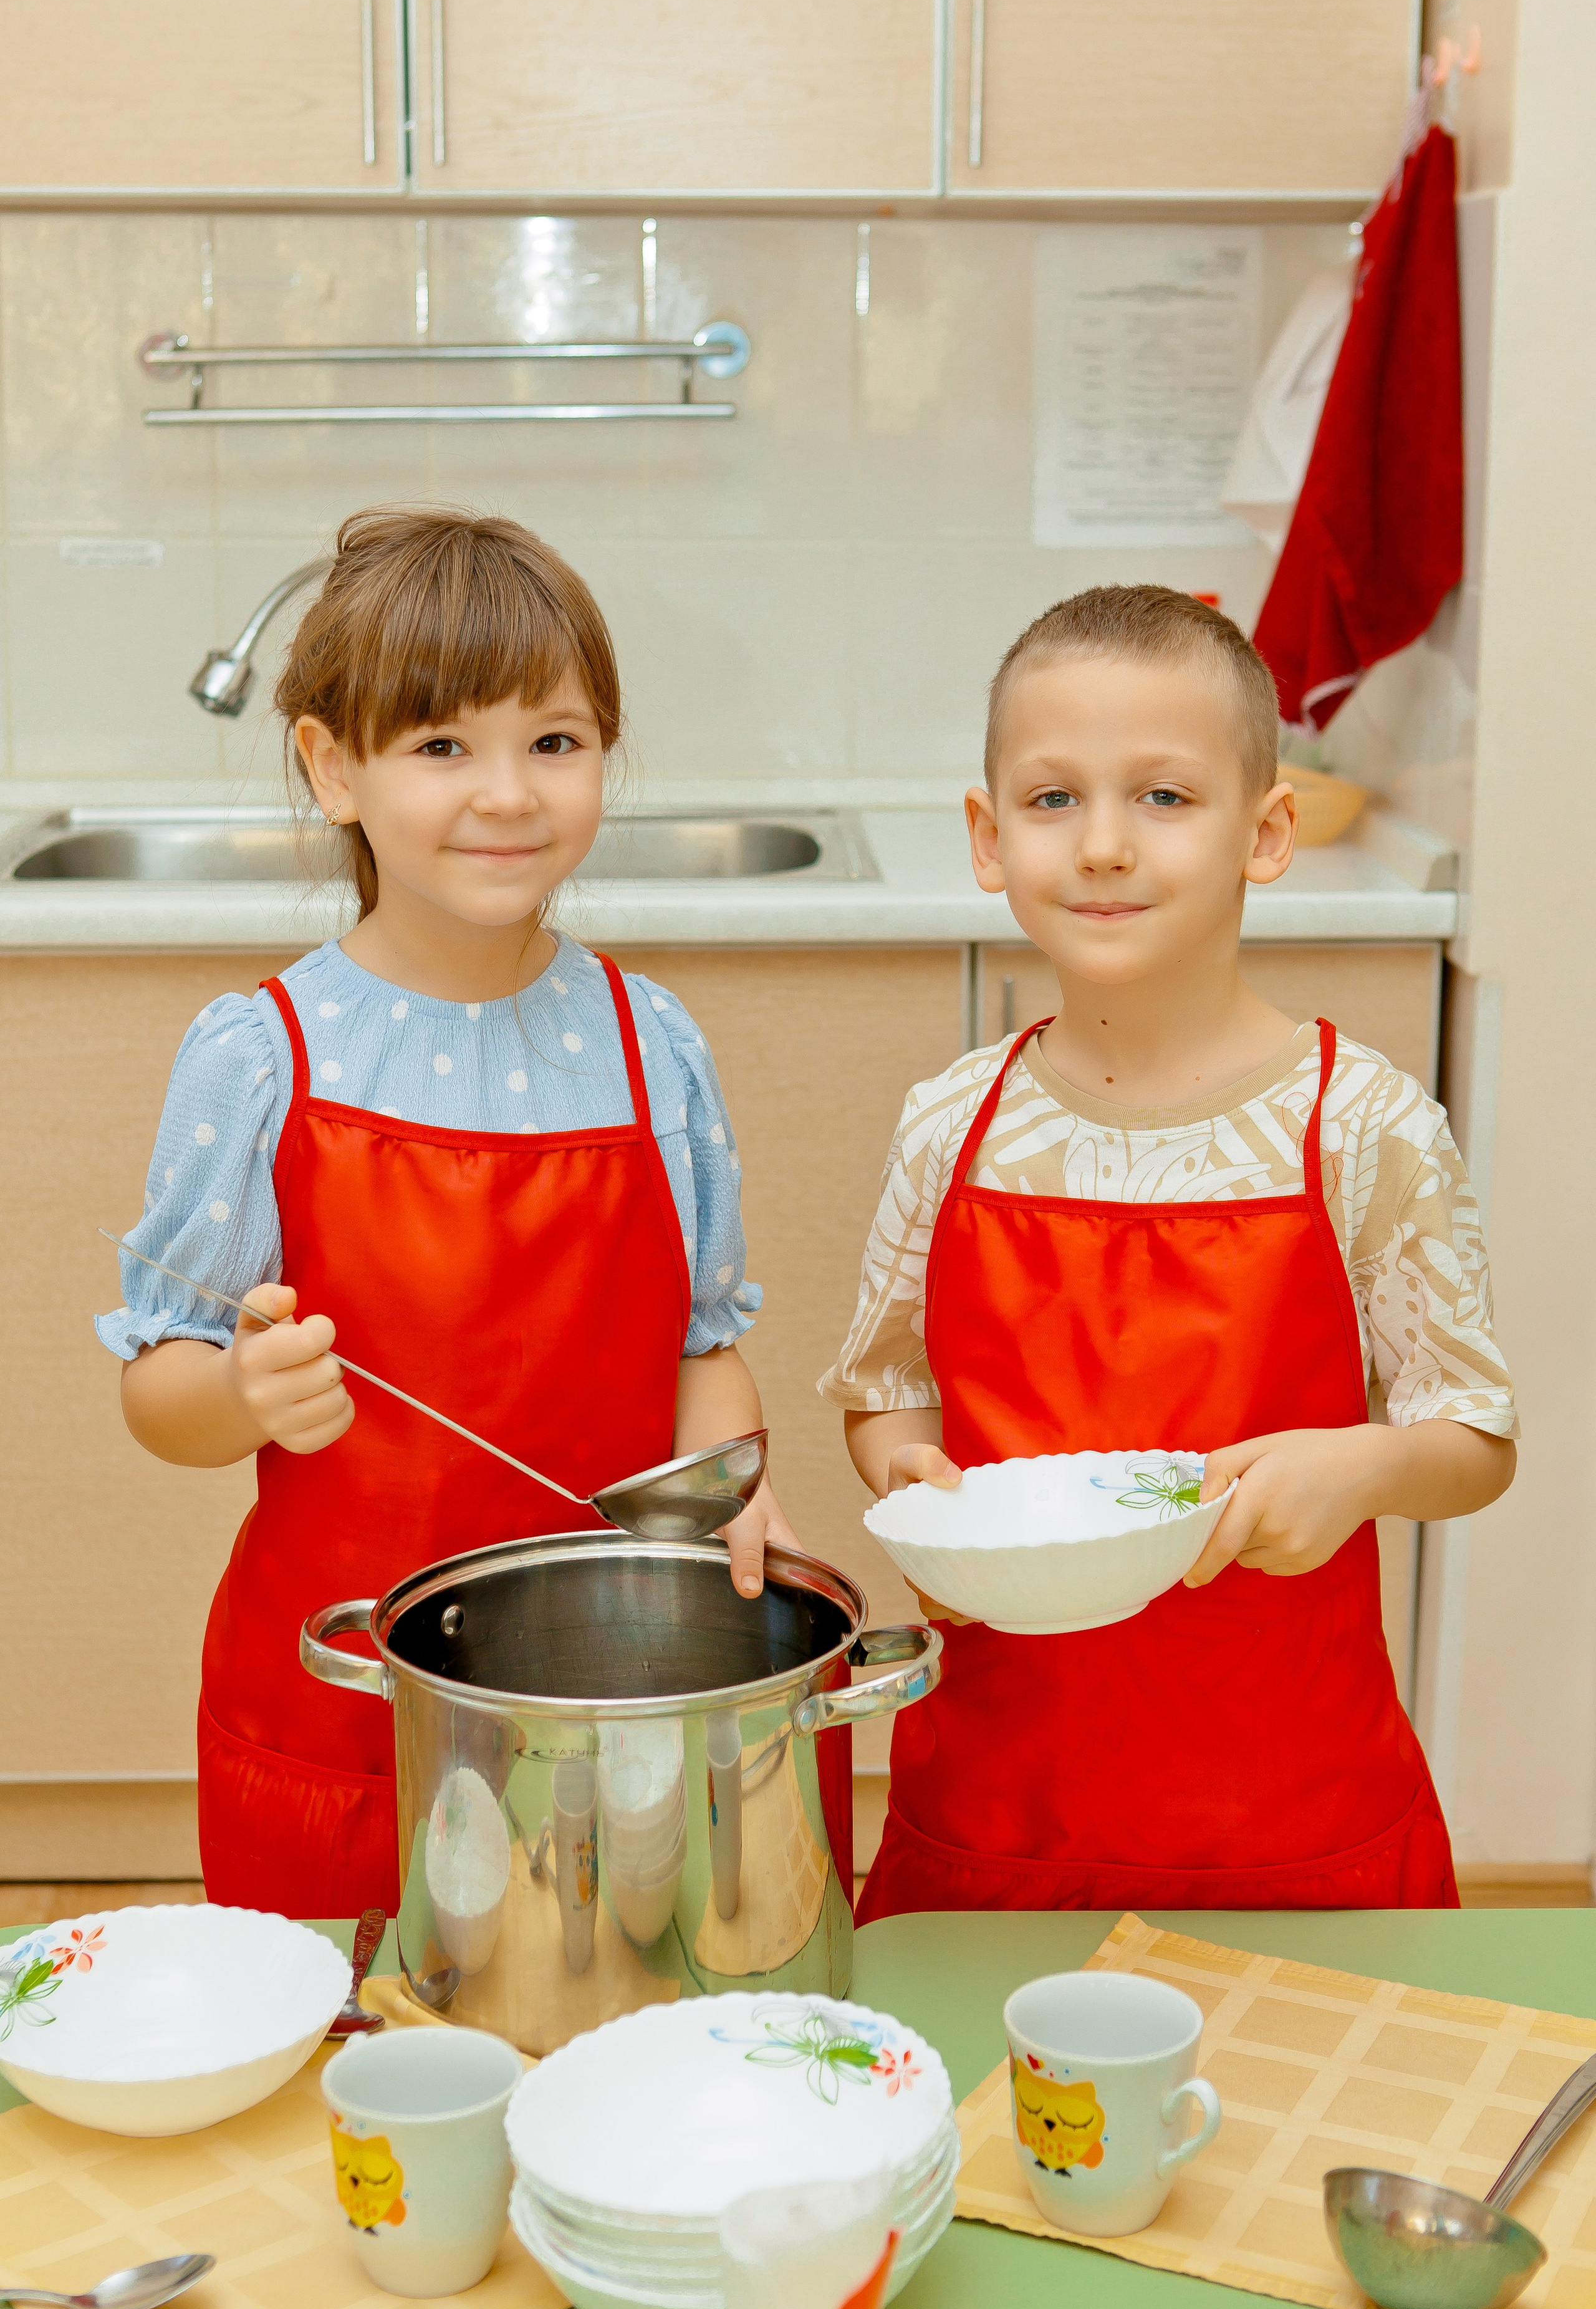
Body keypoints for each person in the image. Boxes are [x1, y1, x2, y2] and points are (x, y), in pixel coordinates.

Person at [101, 505, 794, 1917]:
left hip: (609, 1706)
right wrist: (241, 1390)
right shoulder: (261, 1057)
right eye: (441, 747)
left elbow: (701, 1345)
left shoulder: (650, 1042)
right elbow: (158, 1393)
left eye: (555, 741)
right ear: (331, 767)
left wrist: (737, 1482)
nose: (508, 793)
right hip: (345, 1708)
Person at [822, 584, 1516, 1920]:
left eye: (1161, 798)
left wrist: (1362, 1463)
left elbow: (1473, 1435)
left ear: (1265, 835)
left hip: (1289, 1818)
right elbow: (883, 1382)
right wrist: (906, 1471)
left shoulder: (1360, 1125)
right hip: (996, 1817)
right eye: (1049, 800)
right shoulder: (948, 1124)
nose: (1099, 848)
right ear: (985, 837)